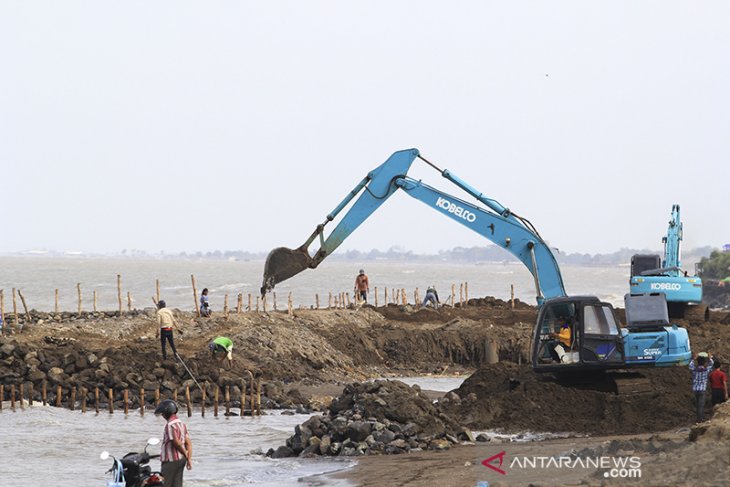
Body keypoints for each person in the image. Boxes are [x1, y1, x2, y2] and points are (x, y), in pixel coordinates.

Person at [155, 399, 192, 487]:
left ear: (167, 413)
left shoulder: (170, 425)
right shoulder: (181, 424)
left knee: (165, 484)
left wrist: (186, 455)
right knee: (177, 484)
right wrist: (188, 459)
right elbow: (188, 443)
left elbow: (177, 443)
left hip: (171, 461)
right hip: (181, 460)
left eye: (163, 413)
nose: (162, 416)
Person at [689, 352, 714, 422]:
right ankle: (700, 419)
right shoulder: (706, 370)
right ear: (704, 363)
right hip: (702, 389)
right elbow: (711, 364)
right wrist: (710, 358)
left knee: (697, 405)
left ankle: (698, 418)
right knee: (701, 405)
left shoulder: (695, 370)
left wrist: (694, 359)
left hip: (695, 389)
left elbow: (690, 366)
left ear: (698, 362)